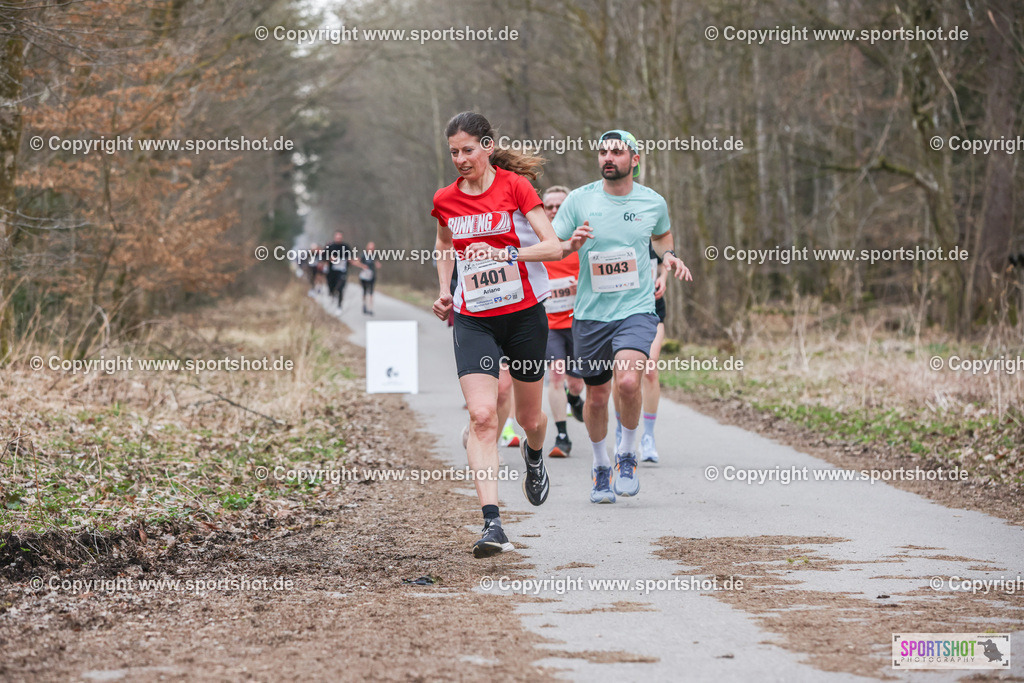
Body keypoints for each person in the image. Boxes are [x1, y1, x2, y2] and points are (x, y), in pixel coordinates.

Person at [430, 111, 588, 558]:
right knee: (482, 416)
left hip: (523, 316)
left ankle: (534, 457)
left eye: (467, 150)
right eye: (453, 152)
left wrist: (507, 254)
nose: (460, 159)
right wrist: (445, 290)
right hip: (474, 317)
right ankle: (493, 523)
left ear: (487, 146)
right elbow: (443, 245)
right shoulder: (445, 199)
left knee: (530, 420)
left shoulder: (515, 187)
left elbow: (553, 246)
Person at [552, 129, 692, 504]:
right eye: (603, 152)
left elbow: (661, 236)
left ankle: (627, 454)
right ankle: (601, 465)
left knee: (629, 382)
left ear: (635, 159)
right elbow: (552, 245)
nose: (608, 158)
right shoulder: (579, 200)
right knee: (597, 397)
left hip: (636, 308)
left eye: (616, 151)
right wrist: (570, 245)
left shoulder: (652, 201)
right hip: (590, 314)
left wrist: (668, 256)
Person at [540, 185, 585, 457]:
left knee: (576, 382)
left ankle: (575, 398)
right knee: (556, 375)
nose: (555, 210)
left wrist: (583, 286)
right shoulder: (537, 240)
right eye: (549, 206)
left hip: (579, 322)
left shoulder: (582, 239)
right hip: (549, 323)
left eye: (560, 206)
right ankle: (562, 436)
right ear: (543, 210)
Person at [614, 240, 668, 463]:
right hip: (618, 310)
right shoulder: (615, 236)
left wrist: (663, 279)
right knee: (621, 374)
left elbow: (664, 261)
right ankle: (621, 432)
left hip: (651, 309)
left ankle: (648, 437)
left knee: (650, 370)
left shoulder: (651, 234)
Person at [324, 231, 363, 310]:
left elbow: (350, 258)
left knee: (340, 288)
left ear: (342, 238)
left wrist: (356, 262)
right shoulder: (330, 247)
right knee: (331, 286)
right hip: (332, 271)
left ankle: (339, 306)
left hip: (342, 271)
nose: (338, 238)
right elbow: (323, 257)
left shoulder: (345, 247)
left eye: (340, 237)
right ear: (334, 237)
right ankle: (332, 294)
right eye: (337, 237)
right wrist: (330, 258)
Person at [360, 241, 381, 315]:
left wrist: (378, 264)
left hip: (372, 275)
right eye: (370, 248)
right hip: (364, 275)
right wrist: (363, 266)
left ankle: (370, 308)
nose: (371, 249)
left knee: (371, 292)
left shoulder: (375, 255)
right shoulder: (363, 255)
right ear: (367, 248)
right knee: (365, 291)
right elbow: (358, 262)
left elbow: (377, 263)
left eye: (372, 248)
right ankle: (364, 305)